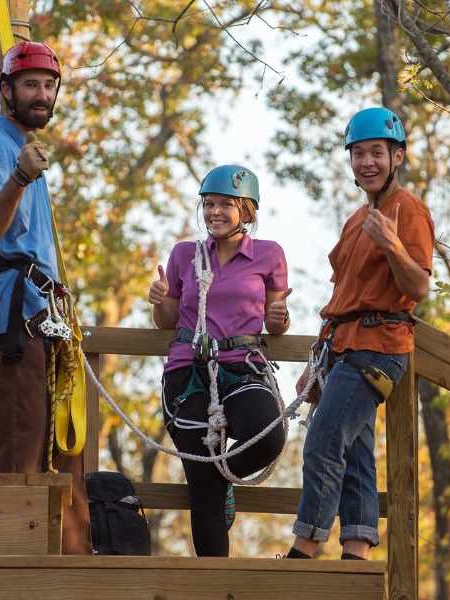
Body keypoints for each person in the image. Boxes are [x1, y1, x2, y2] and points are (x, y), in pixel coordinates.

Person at [287, 107, 434, 560]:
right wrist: (316, 361)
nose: (367, 162)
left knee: (324, 441)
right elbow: (343, 294)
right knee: (353, 452)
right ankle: (357, 550)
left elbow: (418, 287)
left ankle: (306, 547)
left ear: (397, 157)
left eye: (377, 153)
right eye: (358, 154)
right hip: (342, 345)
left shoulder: (407, 210)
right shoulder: (356, 219)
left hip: (378, 347)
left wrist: (392, 245)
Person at [0, 40, 91, 554]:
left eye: (48, 85)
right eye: (29, 85)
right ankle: (7, 564)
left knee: (61, 446)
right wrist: (18, 176)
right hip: (16, 314)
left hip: (44, 312)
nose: (41, 95)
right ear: (5, 90)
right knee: (18, 448)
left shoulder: (21, 143)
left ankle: (69, 561)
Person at [147, 165, 291, 557]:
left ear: (247, 211)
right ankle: (213, 585)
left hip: (243, 365)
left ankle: (217, 477)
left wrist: (280, 319)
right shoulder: (184, 255)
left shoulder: (269, 255)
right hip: (188, 370)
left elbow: (277, 319)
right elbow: (168, 320)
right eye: (208, 204)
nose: (214, 212)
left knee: (268, 437)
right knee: (204, 496)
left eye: (225, 205)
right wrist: (161, 301)